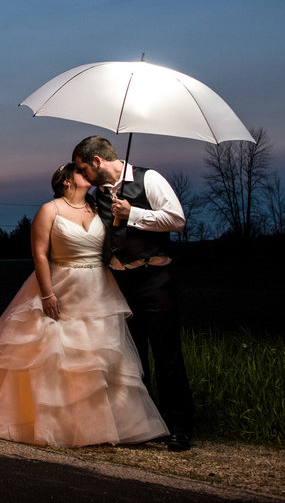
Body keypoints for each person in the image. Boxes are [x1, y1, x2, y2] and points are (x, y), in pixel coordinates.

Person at [0, 163, 168, 447]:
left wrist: (124, 213)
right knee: (56, 354)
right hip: (62, 284)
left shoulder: (99, 209)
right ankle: (53, 424)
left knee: (98, 355)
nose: (87, 175)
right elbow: (40, 254)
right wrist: (47, 294)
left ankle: (102, 425)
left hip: (99, 288)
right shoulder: (49, 210)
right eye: (80, 172)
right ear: (65, 181)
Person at [72, 135, 194, 452]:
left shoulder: (148, 178)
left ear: (96, 161)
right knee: (132, 358)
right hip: (120, 285)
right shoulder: (98, 195)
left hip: (153, 279)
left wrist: (133, 214)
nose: (82, 175)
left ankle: (179, 427)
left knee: (166, 355)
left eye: (83, 168)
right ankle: (145, 426)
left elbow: (177, 220)